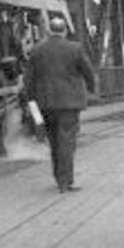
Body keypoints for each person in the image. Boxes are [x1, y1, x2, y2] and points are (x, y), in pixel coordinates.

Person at [25, 16, 96, 193]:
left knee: (55, 143)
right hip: (69, 104)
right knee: (67, 143)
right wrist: (92, 89)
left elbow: (29, 81)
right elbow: (88, 72)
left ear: (49, 31)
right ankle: (66, 182)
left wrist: (31, 101)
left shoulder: (37, 50)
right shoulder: (75, 48)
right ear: (64, 30)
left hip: (46, 104)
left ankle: (59, 179)